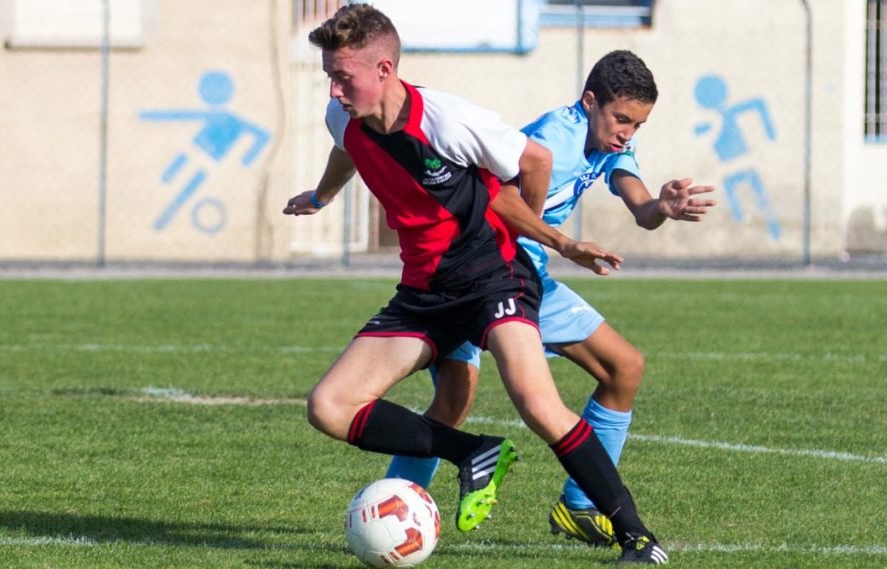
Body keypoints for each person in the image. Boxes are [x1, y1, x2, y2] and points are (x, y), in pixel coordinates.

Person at [285, 6, 668, 565]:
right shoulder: (344, 114)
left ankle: (637, 536)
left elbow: (533, 161)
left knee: (538, 403)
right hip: (424, 293)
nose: (335, 89)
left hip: (493, 280)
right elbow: (346, 148)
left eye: (344, 76)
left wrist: (539, 244)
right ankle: (475, 453)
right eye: (331, 76)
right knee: (329, 405)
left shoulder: (445, 119)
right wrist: (322, 196)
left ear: (385, 68)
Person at [386, 50, 716, 548]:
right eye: (622, 119)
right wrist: (562, 243)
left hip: (527, 277)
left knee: (623, 368)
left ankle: (580, 505)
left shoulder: (609, 141)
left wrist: (661, 206)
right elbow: (499, 197)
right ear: (589, 102)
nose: (628, 132)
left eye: (638, 124)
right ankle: (393, 510)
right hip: (472, 270)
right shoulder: (551, 140)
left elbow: (640, 206)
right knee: (454, 397)